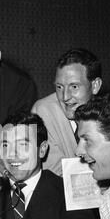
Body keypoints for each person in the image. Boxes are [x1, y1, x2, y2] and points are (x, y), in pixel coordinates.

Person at [32, 48, 102, 176]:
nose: (64, 97)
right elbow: (56, 175)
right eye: (59, 87)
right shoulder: (44, 111)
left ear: (95, 85)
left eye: (74, 87)